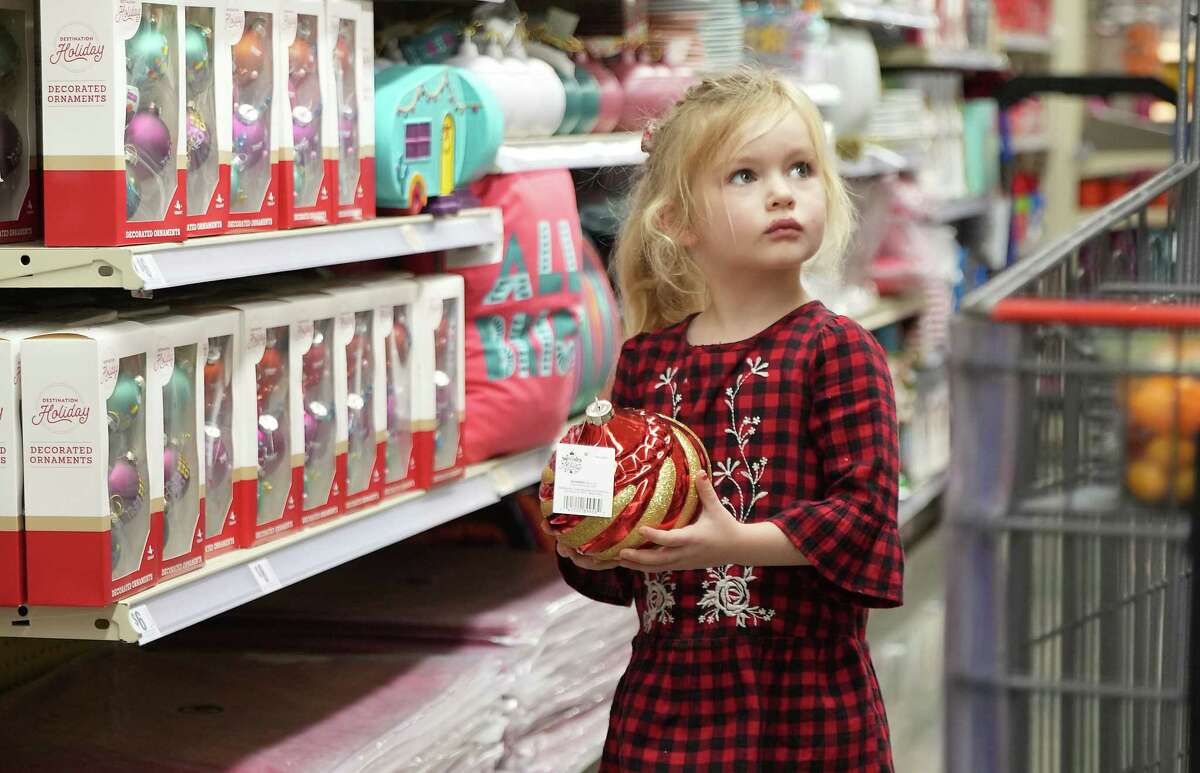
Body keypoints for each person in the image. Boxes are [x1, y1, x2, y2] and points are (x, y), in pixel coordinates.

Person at [552, 67, 905, 771]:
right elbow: (623, 570)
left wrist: (734, 542)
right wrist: (581, 535)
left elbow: (865, 514)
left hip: (805, 711)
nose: (782, 190)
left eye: (800, 168)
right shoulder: (645, 363)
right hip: (666, 711)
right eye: (744, 175)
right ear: (677, 221)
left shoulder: (836, 350)